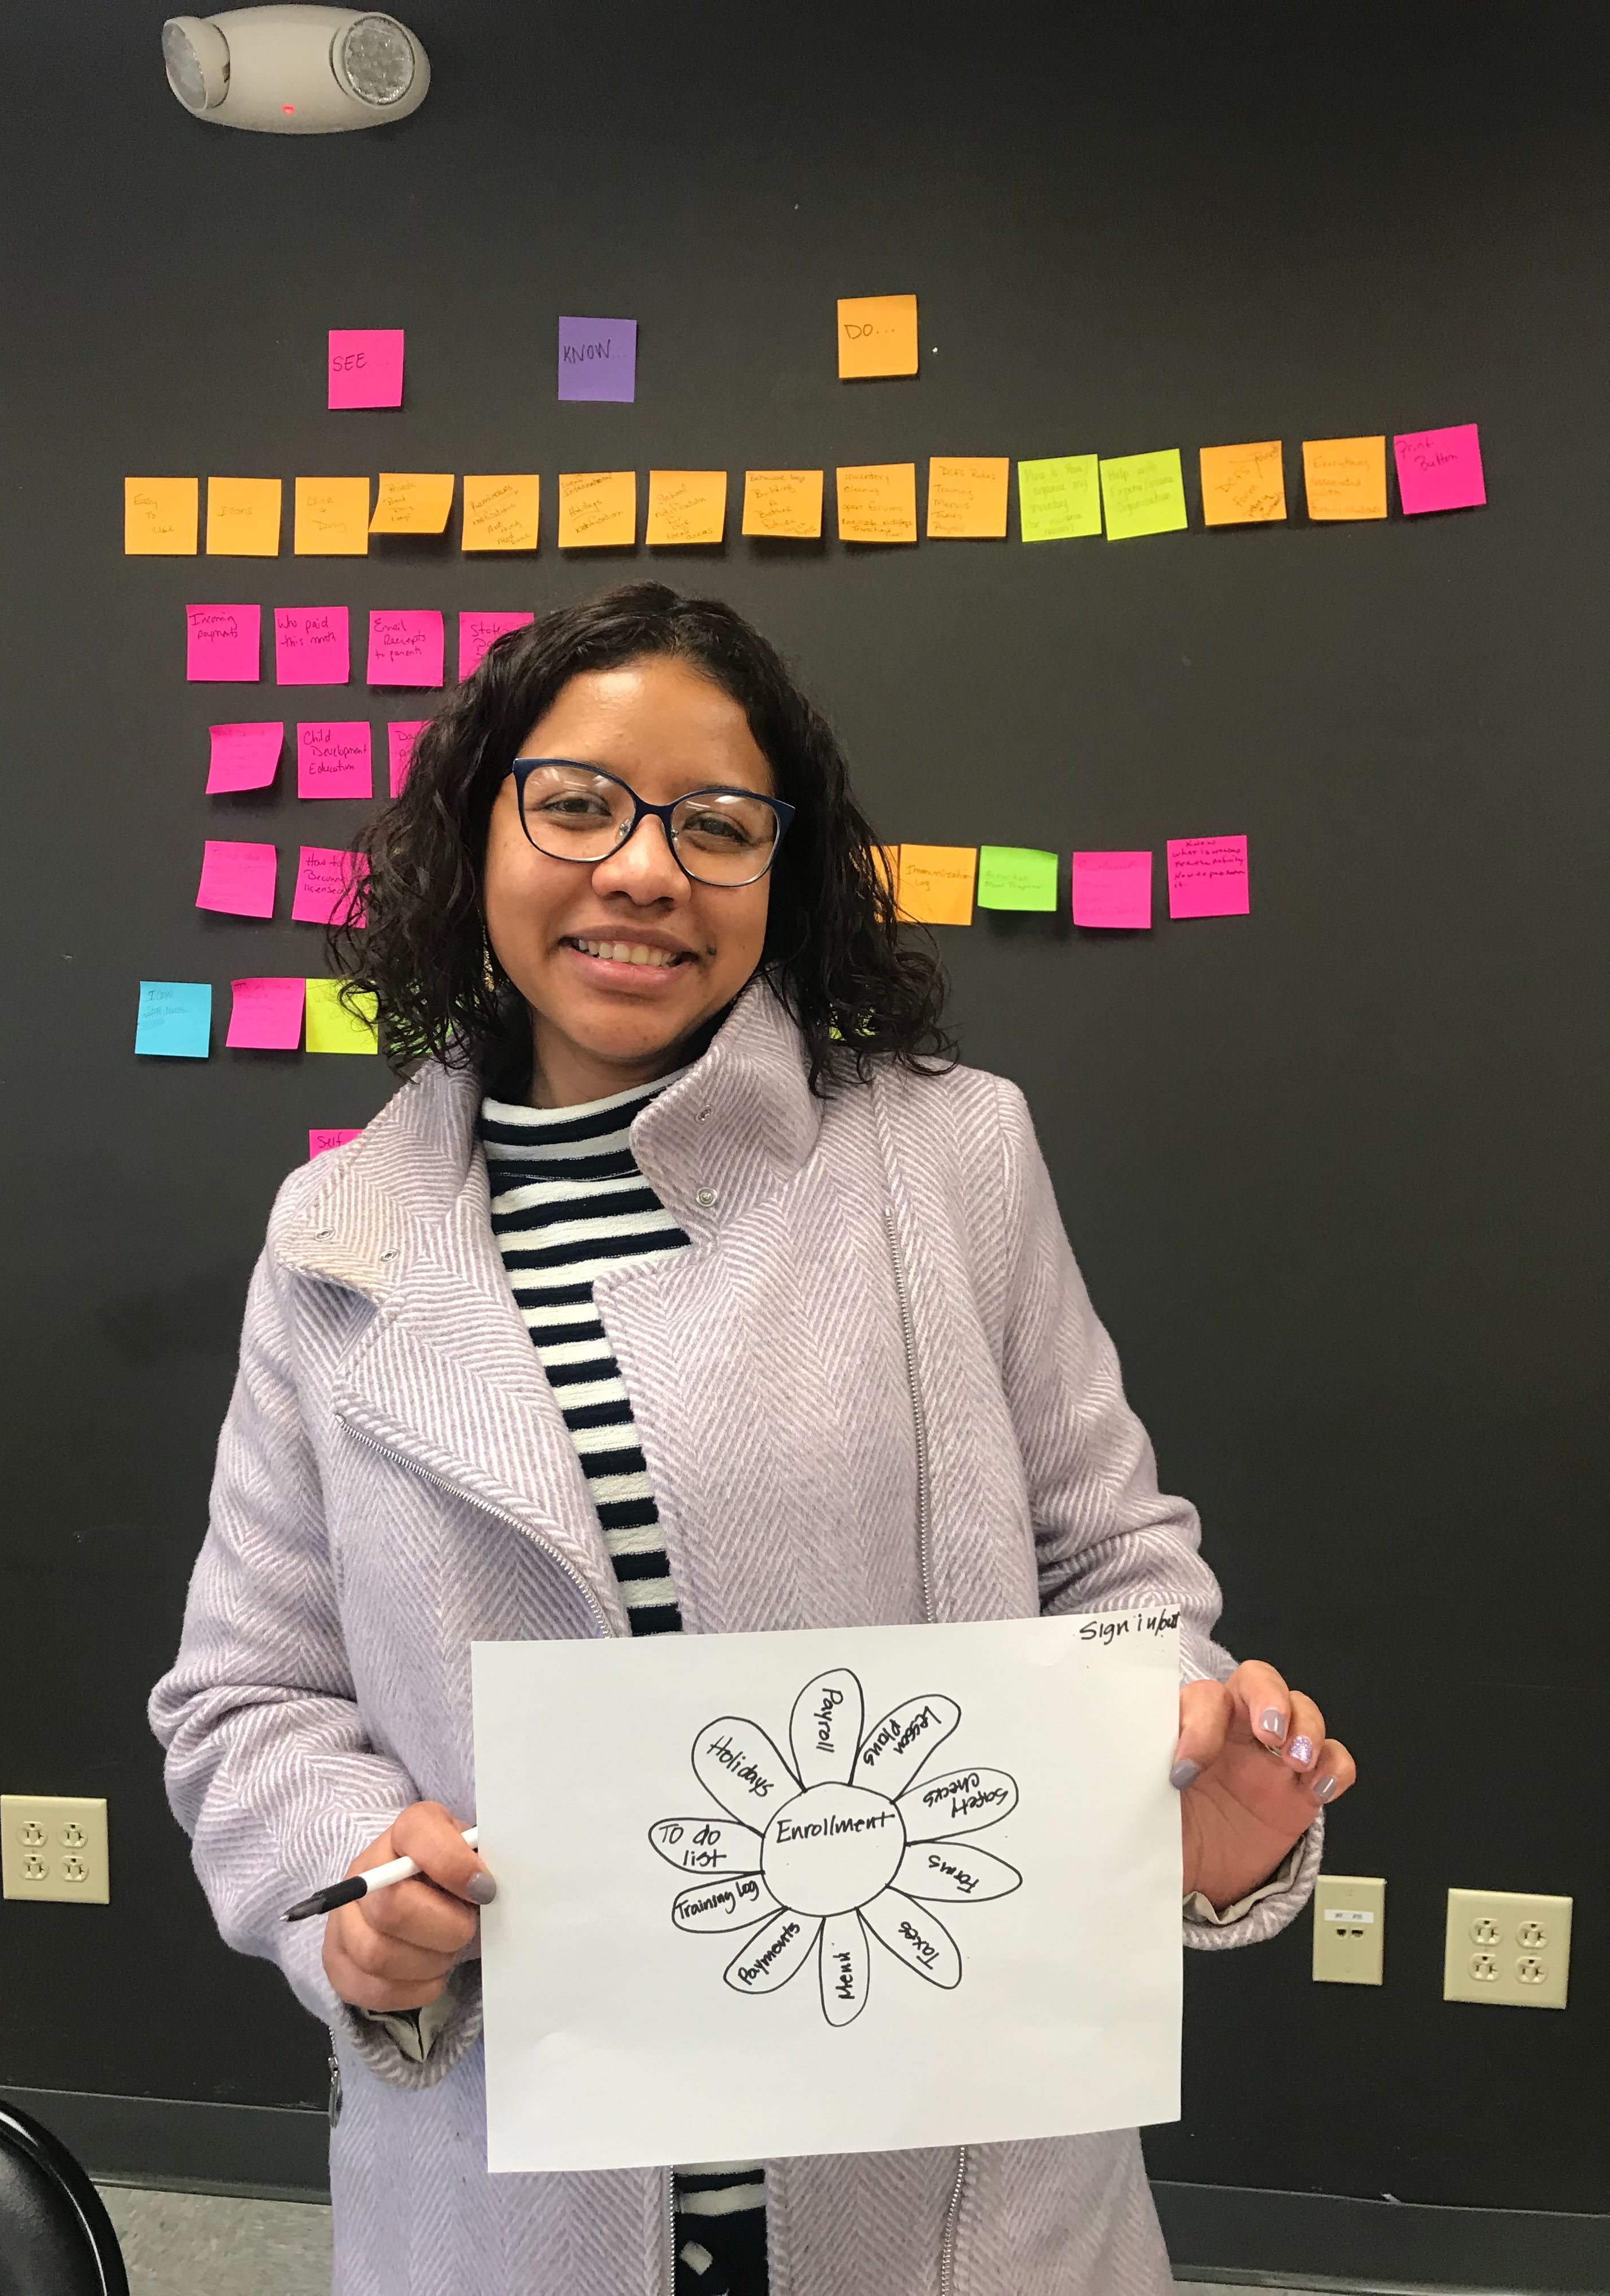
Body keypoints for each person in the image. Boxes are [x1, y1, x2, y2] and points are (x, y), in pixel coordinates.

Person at [150, 581, 1354, 2296]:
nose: (644, 870)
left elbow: (1117, 1557)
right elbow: (245, 1696)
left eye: (716, 825)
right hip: (514, 2182)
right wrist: (352, 1885)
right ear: (475, 831)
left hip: (957, 2177)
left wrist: (1172, 1773)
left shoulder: (948, 1161)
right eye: (575, 804)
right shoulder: (337, 1239)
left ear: (780, 873)